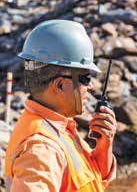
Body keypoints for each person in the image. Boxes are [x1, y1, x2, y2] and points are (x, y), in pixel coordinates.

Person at [4, 20, 117, 191]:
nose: (91, 86)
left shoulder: (60, 127)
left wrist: (104, 147)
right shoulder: (41, 149)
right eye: (85, 78)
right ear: (60, 85)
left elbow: (94, 179)